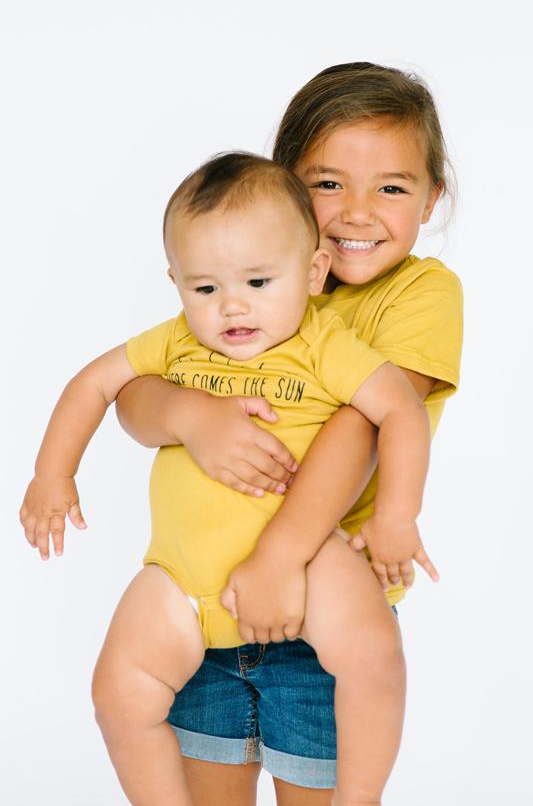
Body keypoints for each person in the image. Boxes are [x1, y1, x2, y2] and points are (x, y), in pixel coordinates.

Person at [20, 151, 437, 806]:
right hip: (184, 578)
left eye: (259, 282)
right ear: (176, 282)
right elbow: (96, 384)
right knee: (117, 692)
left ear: (313, 272)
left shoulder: (322, 345)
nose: (231, 306)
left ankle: (359, 799)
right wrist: (52, 473)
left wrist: (396, 516)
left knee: (373, 654)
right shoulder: (176, 341)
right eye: (205, 289)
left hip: (305, 562)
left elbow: (400, 412)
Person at [114, 62, 464, 806]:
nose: (357, 213)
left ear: (432, 196)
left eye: (391, 188)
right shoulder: (246, 282)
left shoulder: (421, 293)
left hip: (318, 617)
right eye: (328, 183)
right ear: (284, 187)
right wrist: (189, 414)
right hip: (205, 607)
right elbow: (133, 399)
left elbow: (360, 426)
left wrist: (277, 556)